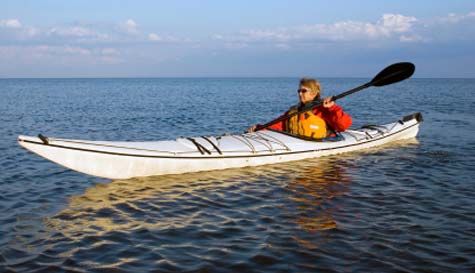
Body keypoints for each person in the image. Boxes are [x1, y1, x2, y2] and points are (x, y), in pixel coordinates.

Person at [247, 78, 352, 139]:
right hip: (300, 143)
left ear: (314, 93)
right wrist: (260, 128)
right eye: (299, 91)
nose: (300, 94)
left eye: (303, 91)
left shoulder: (323, 109)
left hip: (323, 143)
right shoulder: (295, 110)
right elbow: (279, 124)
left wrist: (332, 108)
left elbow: (344, 125)